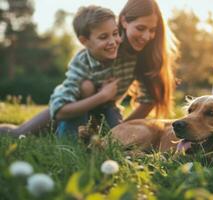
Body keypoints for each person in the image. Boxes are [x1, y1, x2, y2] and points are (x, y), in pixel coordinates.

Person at [0, 0, 179, 137]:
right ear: (123, 21)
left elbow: (149, 100)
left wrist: (121, 129)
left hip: (104, 111)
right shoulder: (107, 46)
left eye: (152, 30)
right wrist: (101, 95)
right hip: (76, 105)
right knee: (20, 133)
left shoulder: (144, 55)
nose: (147, 36)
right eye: (140, 28)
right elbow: (71, 96)